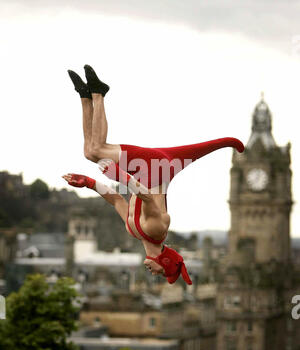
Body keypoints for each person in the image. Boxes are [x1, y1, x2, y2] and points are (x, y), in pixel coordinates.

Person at [63, 65, 244, 285]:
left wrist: (89, 183)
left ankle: (85, 96)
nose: (154, 273)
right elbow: (147, 196)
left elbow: (117, 199)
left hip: (143, 171)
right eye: (161, 272)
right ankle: (98, 93)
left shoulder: (135, 231)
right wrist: (119, 175)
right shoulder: (157, 230)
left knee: (90, 152)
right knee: (98, 150)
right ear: (164, 261)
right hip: (154, 167)